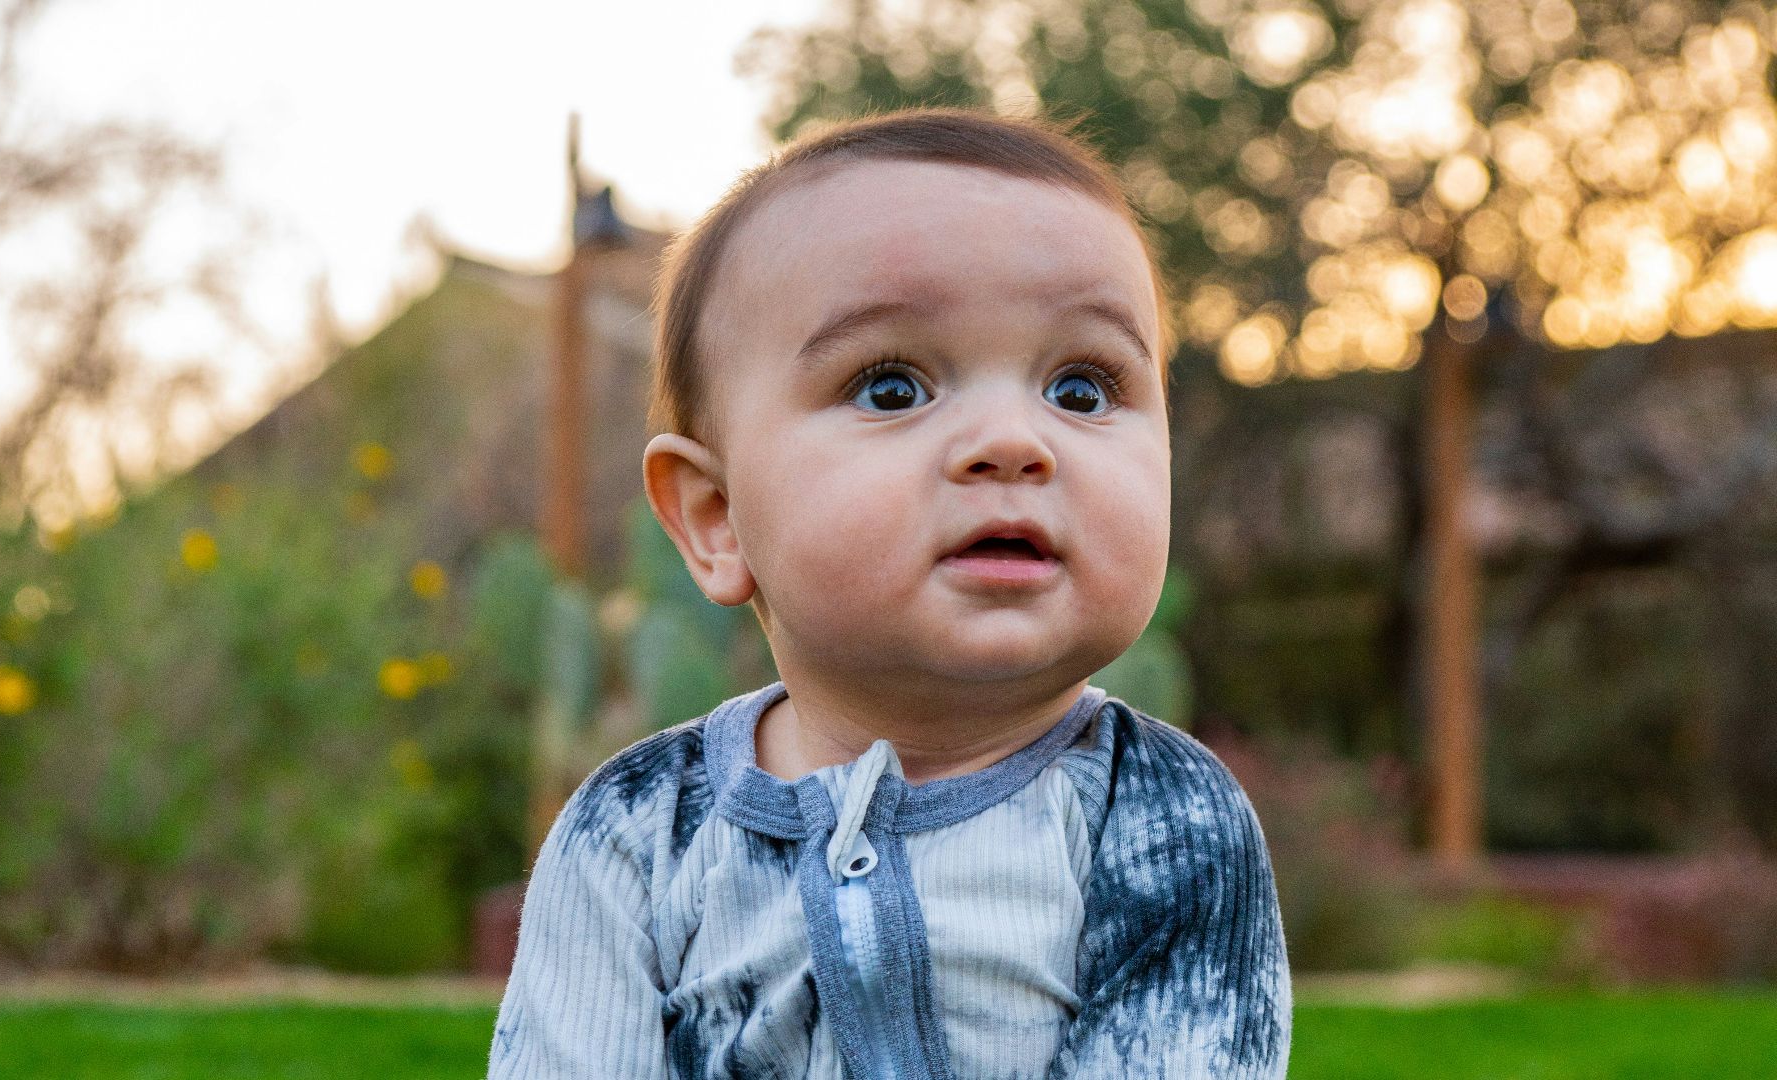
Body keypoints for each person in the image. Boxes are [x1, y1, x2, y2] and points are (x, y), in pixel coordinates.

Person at [486, 106, 1291, 1079]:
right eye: (892, 387)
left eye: (1081, 388)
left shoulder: (1167, 818)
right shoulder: (635, 832)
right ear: (716, 517)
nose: (1011, 440)